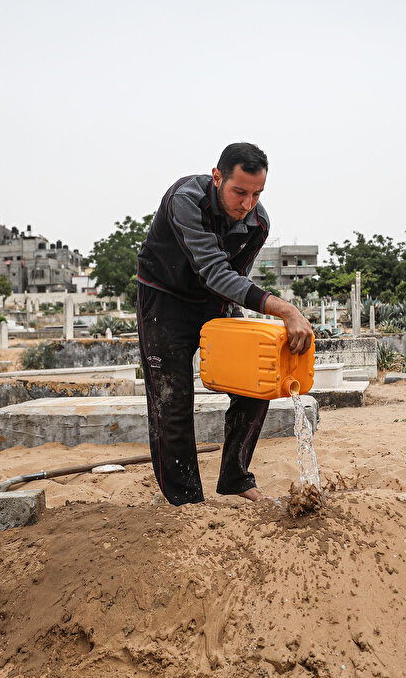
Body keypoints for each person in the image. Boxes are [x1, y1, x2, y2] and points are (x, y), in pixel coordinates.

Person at [135, 142, 314, 506]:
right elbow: (214, 270)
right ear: (217, 177)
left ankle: (235, 477)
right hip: (164, 300)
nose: (248, 203)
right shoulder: (184, 199)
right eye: (239, 191)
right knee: (172, 399)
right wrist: (285, 309)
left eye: (257, 193)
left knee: (257, 381)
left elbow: (234, 281)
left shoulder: (258, 224)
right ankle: (186, 501)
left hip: (214, 302)